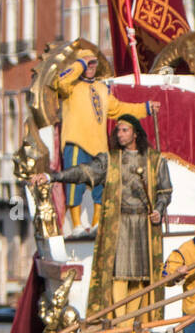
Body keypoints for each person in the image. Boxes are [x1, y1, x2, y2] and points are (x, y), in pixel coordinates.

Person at [34, 114, 171, 324]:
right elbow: (83, 172)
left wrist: (159, 210)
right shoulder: (110, 160)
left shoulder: (155, 160)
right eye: (118, 131)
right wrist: (53, 177)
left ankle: (136, 322)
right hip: (120, 224)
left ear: (135, 133)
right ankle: (121, 323)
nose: (120, 134)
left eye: (125, 130)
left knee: (142, 277)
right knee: (119, 274)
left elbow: (165, 191)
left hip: (144, 226)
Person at [54, 48, 158, 232]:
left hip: (98, 146)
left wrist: (145, 108)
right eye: (87, 63)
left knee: (100, 187)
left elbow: (119, 109)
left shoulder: (102, 89)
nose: (91, 67)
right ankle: (77, 225)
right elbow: (61, 81)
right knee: (75, 182)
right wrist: (81, 63)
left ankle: (96, 224)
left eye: (93, 63)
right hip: (77, 141)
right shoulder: (70, 87)